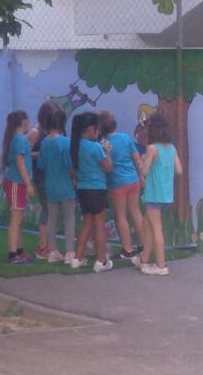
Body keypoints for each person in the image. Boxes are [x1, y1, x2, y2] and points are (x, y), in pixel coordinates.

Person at [138, 114, 183, 276]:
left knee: (156, 229)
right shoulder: (171, 148)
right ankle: (144, 258)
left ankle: (161, 265)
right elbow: (179, 170)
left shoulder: (152, 149)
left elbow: (144, 171)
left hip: (153, 194)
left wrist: (142, 161)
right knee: (148, 225)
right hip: (165, 195)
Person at [98, 111, 145, 263]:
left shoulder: (103, 143)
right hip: (133, 180)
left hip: (117, 183)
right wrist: (142, 176)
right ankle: (143, 245)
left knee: (121, 217)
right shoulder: (125, 138)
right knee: (136, 212)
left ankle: (127, 250)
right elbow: (137, 158)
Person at [70, 112, 114, 272]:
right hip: (97, 189)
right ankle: (101, 261)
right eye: (97, 129)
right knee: (99, 225)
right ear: (90, 129)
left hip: (83, 190)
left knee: (87, 224)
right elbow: (108, 167)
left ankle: (77, 258)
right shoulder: (95, 147)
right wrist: (107, 152)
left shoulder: (76, 145)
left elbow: (72, 171)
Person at [37, 107, 76, 263]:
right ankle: (70, 252)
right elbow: (69, 165)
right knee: (69, 218)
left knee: (51, 218)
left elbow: (41, 164)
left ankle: (53, 251)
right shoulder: (67, 142)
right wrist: (75, 178)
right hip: (65, 185)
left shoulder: (45, 142)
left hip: (50, 186)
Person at [1, 110, 35, 265]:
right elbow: (20, 162)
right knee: (15, 219)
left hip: (17, 182)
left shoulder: (18, 140)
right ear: (23, 122)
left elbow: (24, 157)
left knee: (19, 218)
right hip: (16, 183)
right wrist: (28, 184)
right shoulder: (19, 140)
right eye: (28, 120)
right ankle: (13, 254)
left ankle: (19, 251)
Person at [29, 100, 60, 259]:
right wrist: (43, 154)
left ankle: (48, 244)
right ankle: (42, 247)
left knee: (52, 210)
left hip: (52, 176)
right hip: (41, 177)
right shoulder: (36, 132)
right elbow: (24, 154)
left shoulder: (51, 131)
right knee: (47, 210)